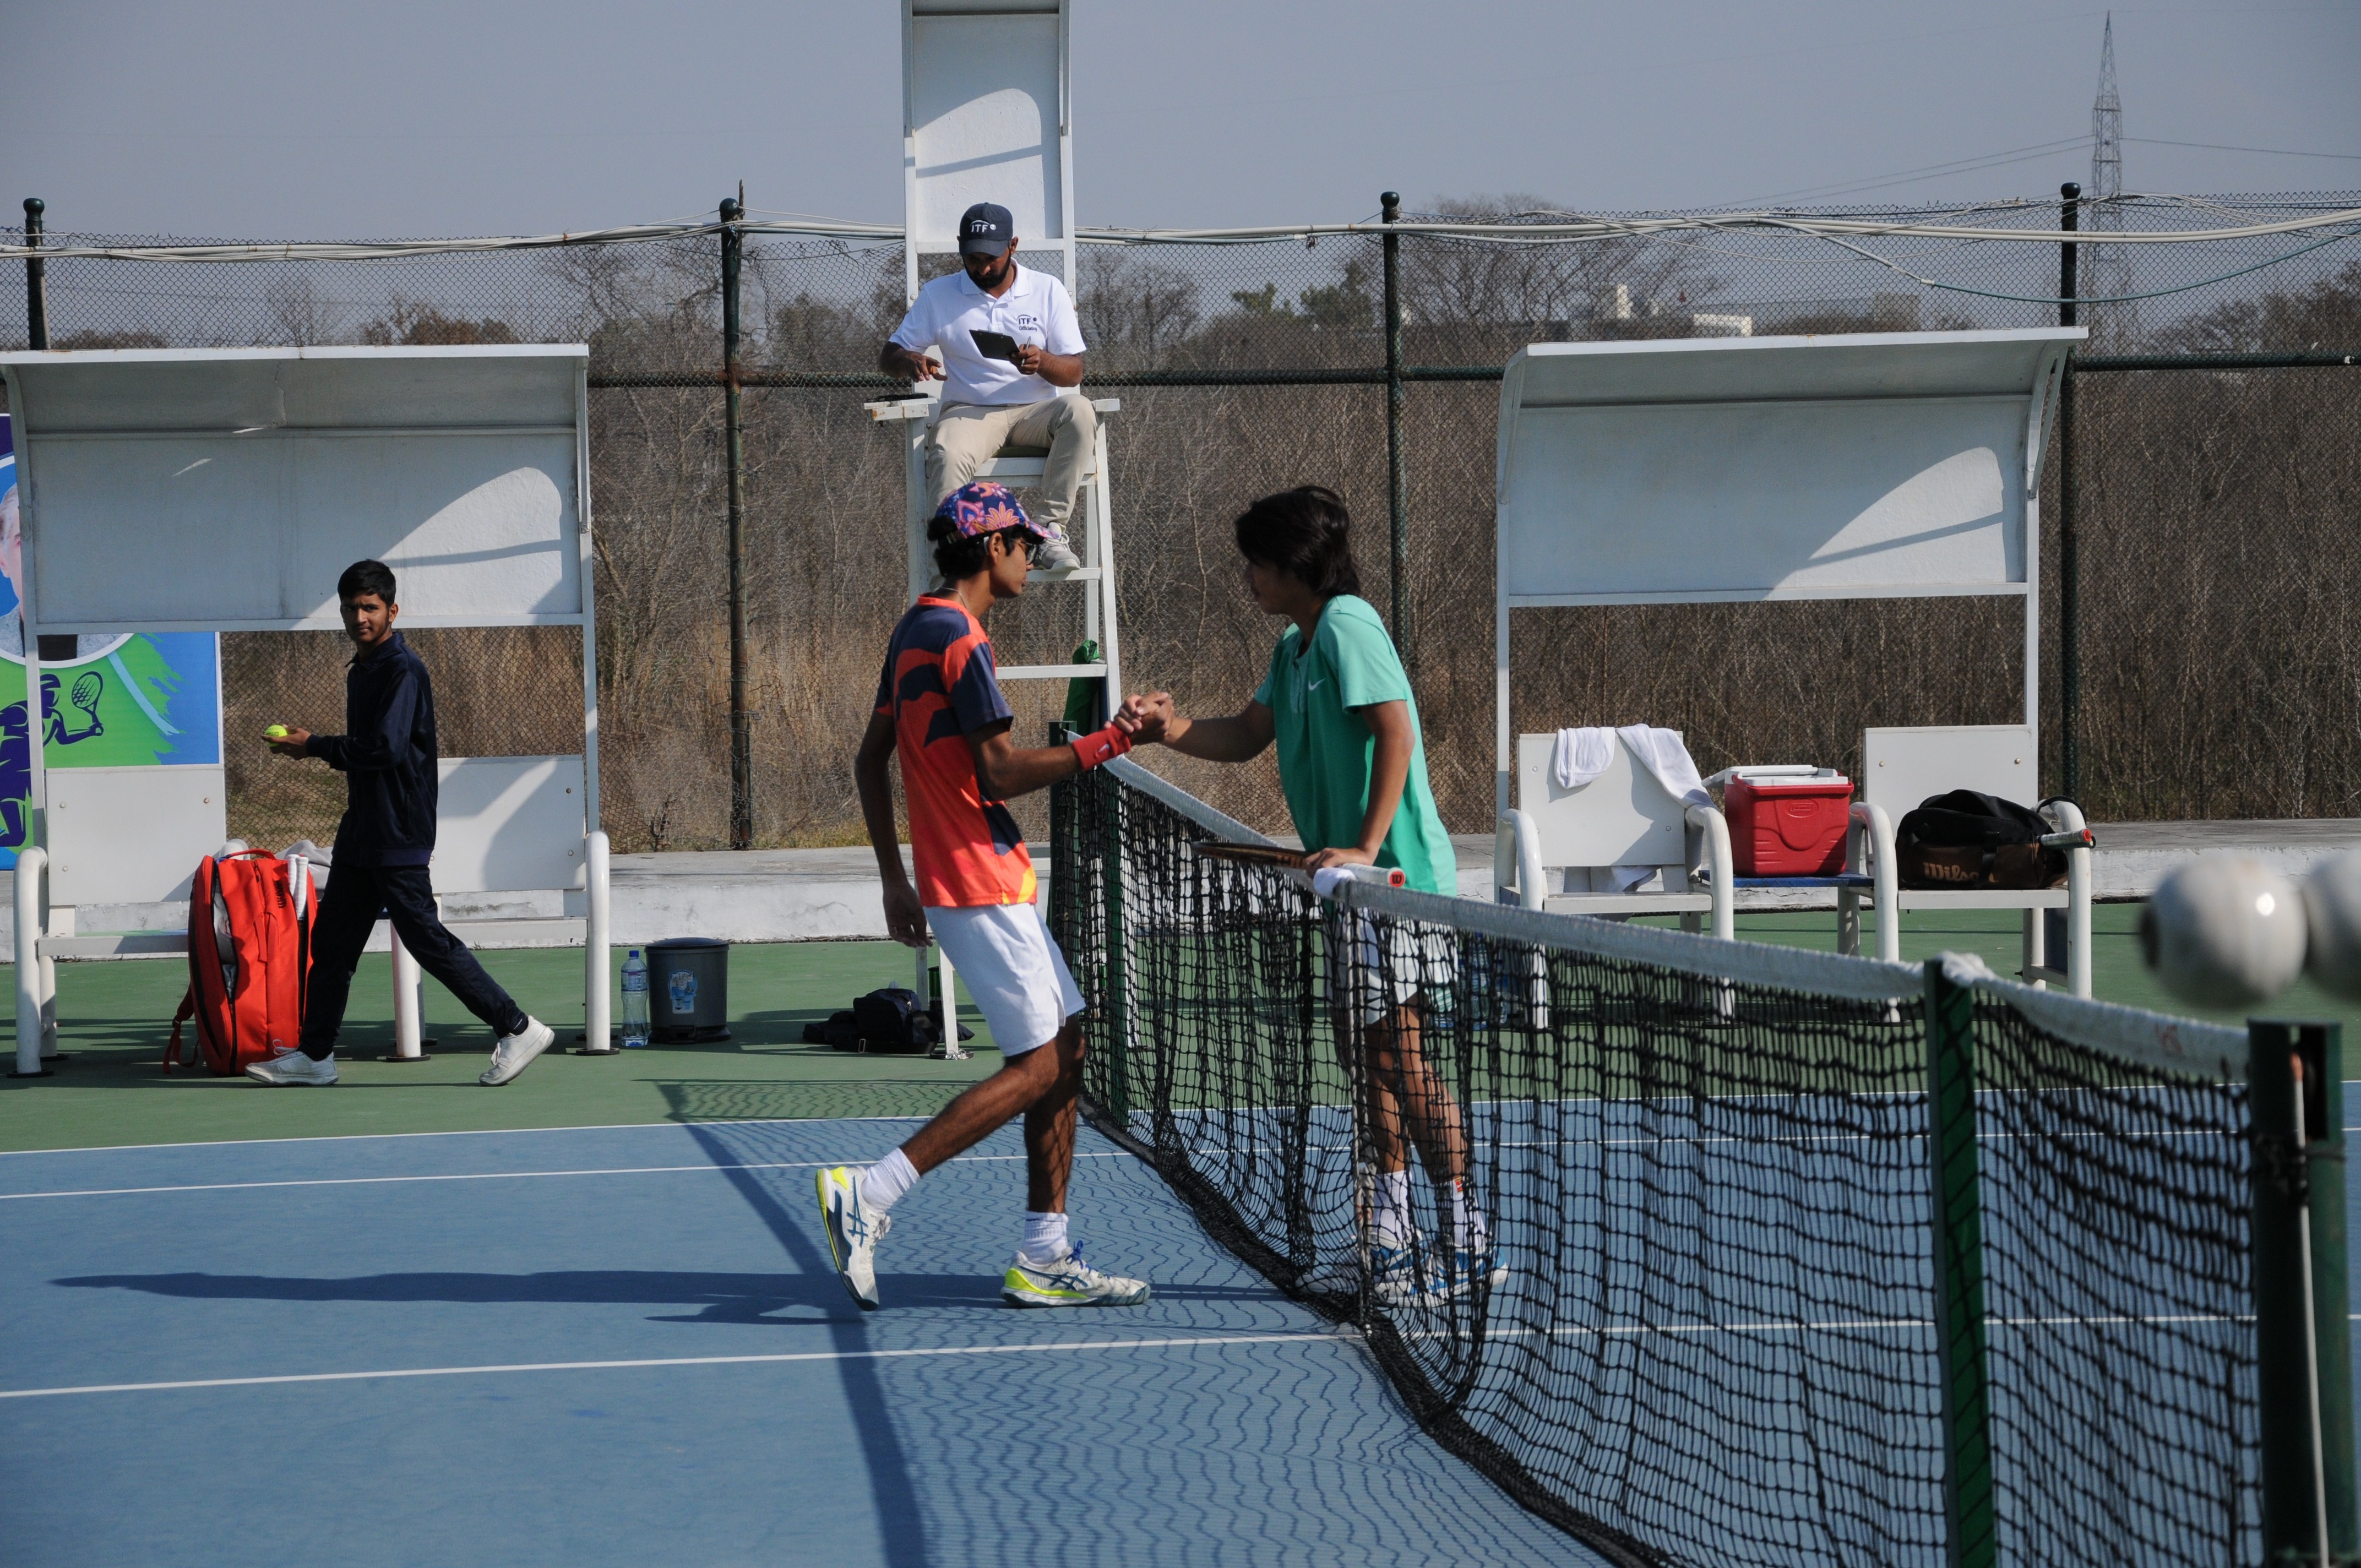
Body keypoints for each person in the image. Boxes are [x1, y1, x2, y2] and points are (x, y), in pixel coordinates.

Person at [1125, 487, 1500, 1302]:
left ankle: (1466, 1236)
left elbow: (1395, 730)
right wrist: (1171, 730)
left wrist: (1367, 849)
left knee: (1401, 1058)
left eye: (1257, 562)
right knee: (1365, 1062)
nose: (1249, 577)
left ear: (1295, 564)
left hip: (1397, 886)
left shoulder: (1347, 626)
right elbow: (1248, 735)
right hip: (1347, 891)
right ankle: (1394, 1239)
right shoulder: (1295, 648)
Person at [816, 481, 1161, 1311]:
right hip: (979, 882)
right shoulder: (962, 640)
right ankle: (872, 1192)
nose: (1032, 560)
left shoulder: (915, 625)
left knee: (1067, 1046)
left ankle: (1043, 1254)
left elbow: (872, 759)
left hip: (967, 880)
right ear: (992, 547)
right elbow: (1000, 770)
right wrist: (1112, 741)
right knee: (1039, 1063)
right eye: (1025, 546)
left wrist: (895, 875)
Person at [244, 559, 556, 1088]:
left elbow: (386, 749)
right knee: (333, 943)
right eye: (350, 607)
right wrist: (316, 748)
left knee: (425, 938)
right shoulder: (364, 668)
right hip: (363, 833)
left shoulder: (402, 669)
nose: (358, 617)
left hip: (398, 834)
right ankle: (315, 1057)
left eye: (369, 607)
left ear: (392, 610)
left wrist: (314, 746)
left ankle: (517, 1027)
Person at [878, 202, 1091, 573]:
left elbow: (1073, 373)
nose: (982, 267)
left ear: (1013, 246)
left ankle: (1046, 533)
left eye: (992, 257)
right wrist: (909, 361)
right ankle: (955, 553)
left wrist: (1043, 362)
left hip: (1035, 413)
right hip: (971, 412)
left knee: (1080, 411)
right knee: (945, 448)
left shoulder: (1047, 290)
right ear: (960, 246)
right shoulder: (938, 294)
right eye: (973, 257)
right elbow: (889, 354)